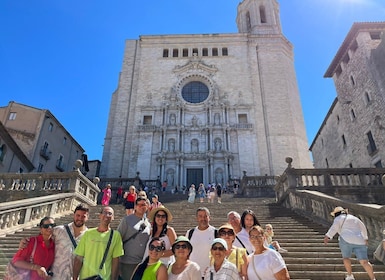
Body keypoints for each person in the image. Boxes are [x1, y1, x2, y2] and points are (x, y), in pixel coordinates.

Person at [19, 204, 89, 280]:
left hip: (74, 277)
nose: (80, 218)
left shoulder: (89, 235)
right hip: (56, 275)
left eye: (83, 216)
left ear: (87, 218)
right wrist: (26, 241)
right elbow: (42, 237)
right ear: (74, 215)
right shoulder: (59, 230)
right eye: (78, 215)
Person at [324, 206, 376, 280]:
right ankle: (373, 278)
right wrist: (365, 238)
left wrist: (328, 236)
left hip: (346, 239)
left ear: (336, 214)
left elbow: (334, 228)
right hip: (359, 241)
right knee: (364, 262)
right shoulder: (354, 218)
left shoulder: (338, 219)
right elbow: (363, 227)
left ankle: (350, 275)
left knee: (346, 258)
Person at [73, 206, 124, 280]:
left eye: (110, 214)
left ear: (113, 217)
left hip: (104, 277)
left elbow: (116, 261)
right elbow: (79, 257)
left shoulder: (116, 235)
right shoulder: (88, 233)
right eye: (104, 213)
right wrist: (75, 277)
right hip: (86, 277)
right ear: (100, 215)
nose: (107, 215)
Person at [117, 197, 151, 280]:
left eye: (143, 205)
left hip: (142, 263)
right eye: (138, 205)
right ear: (135, 206)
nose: (141, 207)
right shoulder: (126, 220)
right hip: (127, 262)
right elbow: (118, 239)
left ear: (147, 207)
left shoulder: (148, 223)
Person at [186, 207, 217, 278]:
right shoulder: (190, 233)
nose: (203, 219)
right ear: (196, 218)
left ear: (209, 218)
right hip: (192, 273)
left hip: (210, 273)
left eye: (205, 216)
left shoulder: (215, 232)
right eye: (200, 216)